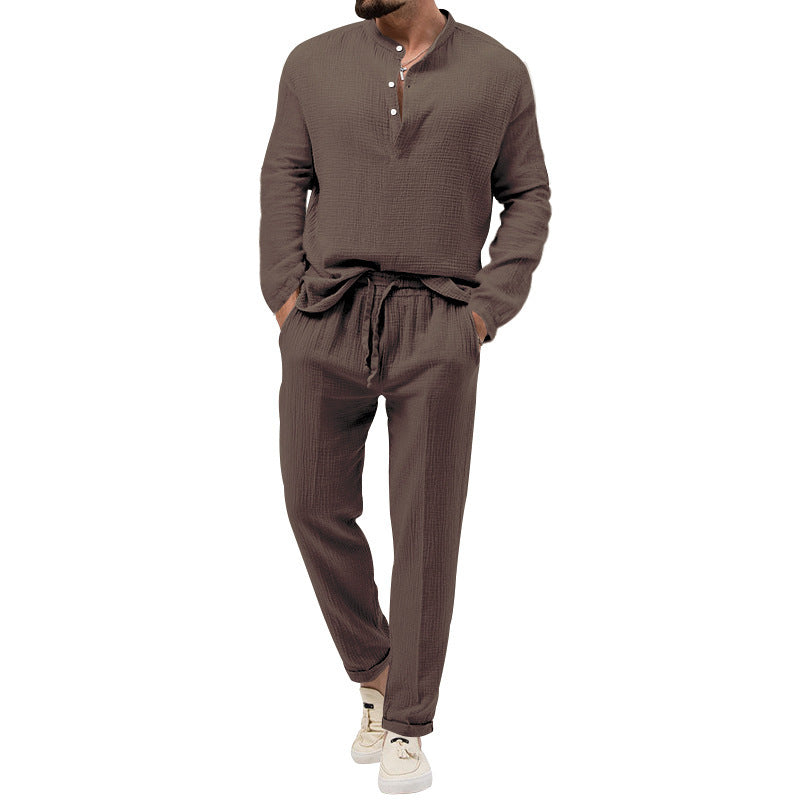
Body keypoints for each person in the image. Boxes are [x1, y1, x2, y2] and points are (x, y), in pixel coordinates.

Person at [259, 0, 550, 792]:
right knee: (311, 502)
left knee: (426, 526)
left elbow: (528, 194)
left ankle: (407, 724)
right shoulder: (311, 62)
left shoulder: (498, 72)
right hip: (326, 313)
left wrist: (484, 312)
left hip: (439, 320)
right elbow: (286, 174)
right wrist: (284, 295)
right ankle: (378, 671)